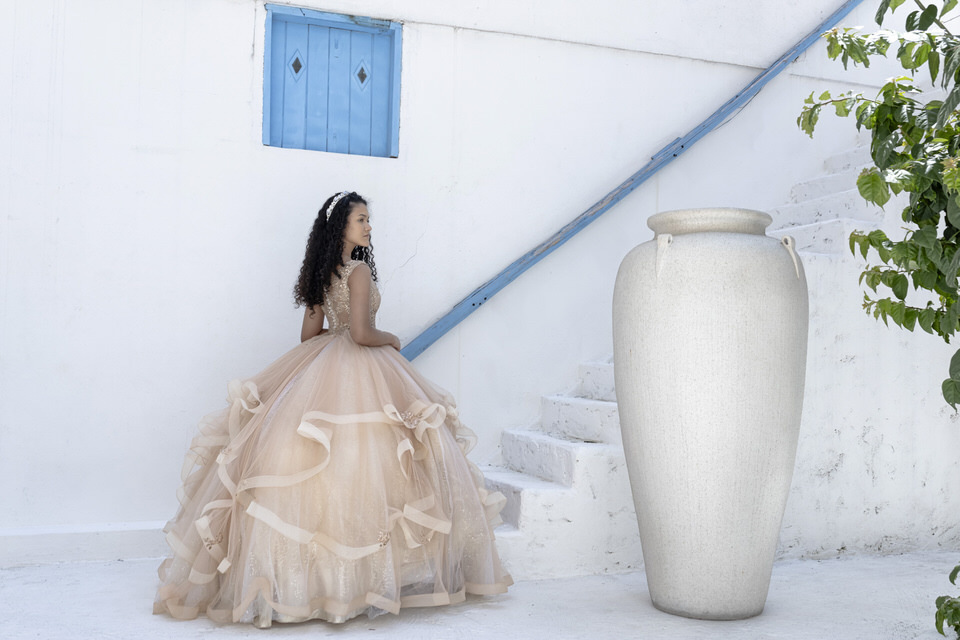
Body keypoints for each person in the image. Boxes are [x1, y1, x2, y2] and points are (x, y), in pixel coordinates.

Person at [153, 191, 512, 627]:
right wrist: (393, 339)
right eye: (362, 219)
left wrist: (330, 327)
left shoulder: (321, 274)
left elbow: (309, 337)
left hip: (324, 363)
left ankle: (311, 584)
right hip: (361, 364)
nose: (368, 226)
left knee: (319, 462)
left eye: (368, 220)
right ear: (342, 224)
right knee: (366, 465)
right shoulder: (359, 271)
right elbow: (361, 334)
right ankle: (357, 582)